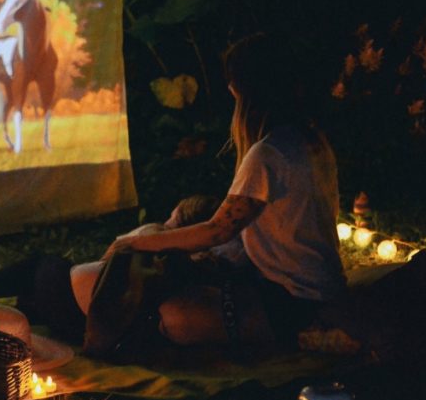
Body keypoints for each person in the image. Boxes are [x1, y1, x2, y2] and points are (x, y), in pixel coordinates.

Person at [98, 33, 346, 351]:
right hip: (322, 287)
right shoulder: (310, 139)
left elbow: (214, 231)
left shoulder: (269, 153)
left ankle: (305, 333)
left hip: (294, 298)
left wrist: (131, 243)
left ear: (247, 92)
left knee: (172, 317)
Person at [0, 195, 218, 344]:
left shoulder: (155, 234)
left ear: (180, 219)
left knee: (43, 262)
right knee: (36, 295)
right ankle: (14, 312)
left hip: (72, 303)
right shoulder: (198, 269)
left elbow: (113, 253)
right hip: (81, 329)